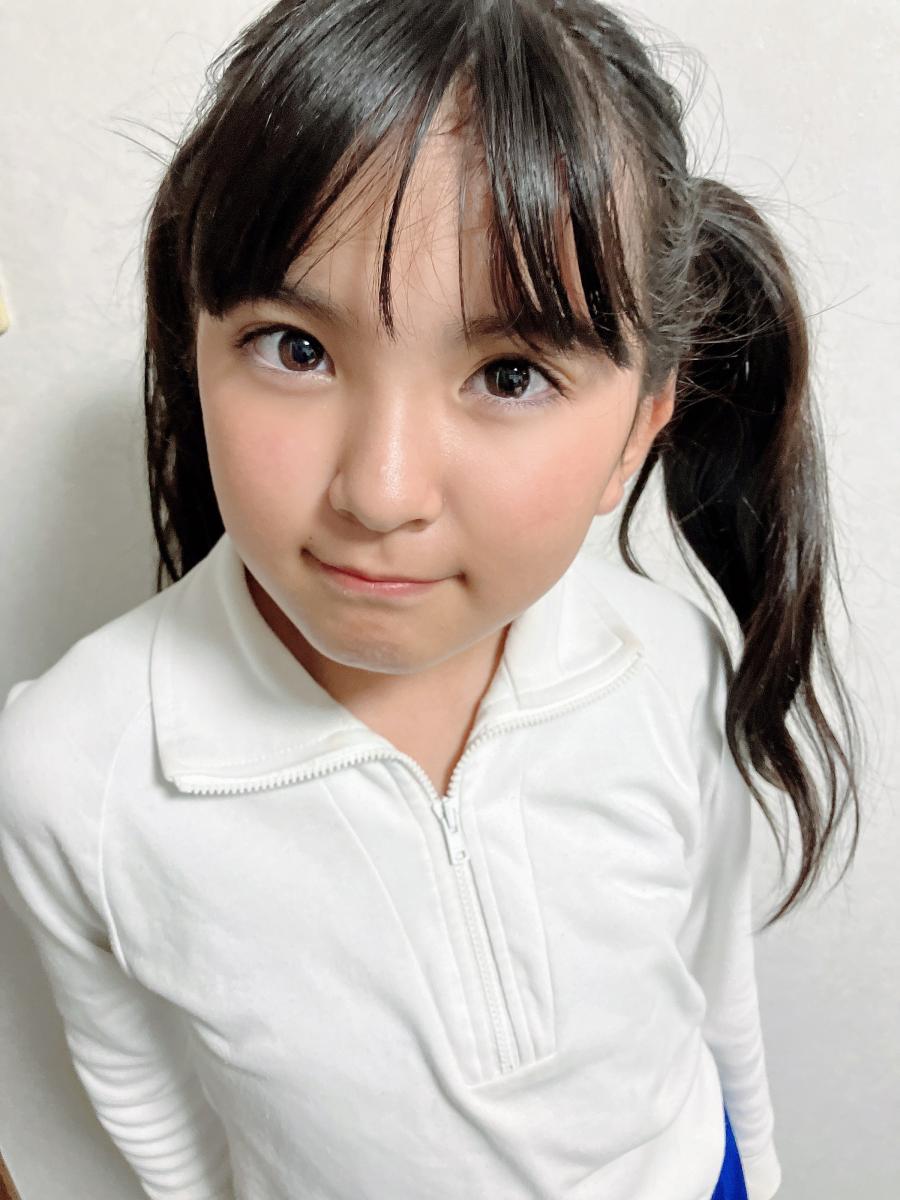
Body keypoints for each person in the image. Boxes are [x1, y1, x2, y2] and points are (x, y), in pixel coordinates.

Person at [0, 2, 863, 1199]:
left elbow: (714, 992)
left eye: (509, 374)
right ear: (193, 346)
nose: (382, 490)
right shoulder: (74, 770)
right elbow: (145, 1096)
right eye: (296, 348)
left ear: (639, 430)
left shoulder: (670, 662)